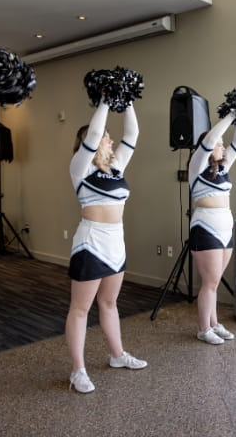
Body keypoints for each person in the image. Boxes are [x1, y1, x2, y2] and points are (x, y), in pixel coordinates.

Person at [66, 97, 146, 394]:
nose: (110, 141)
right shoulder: (81, 168)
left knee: (110, 303)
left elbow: (133, 134)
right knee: (80, 309)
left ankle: (117, 355)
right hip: (91, 242)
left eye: (110, 138)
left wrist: (126, 101)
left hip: (116, 241)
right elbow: (96, 134)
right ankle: (78, 370)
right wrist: (103, 102)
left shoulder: (117, 166)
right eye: (105, 138)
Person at [188, 110, 236, 345]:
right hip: (205, 227)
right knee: (209, 283)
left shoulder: (223, 168)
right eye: (219, 144)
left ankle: (213, 322)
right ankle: (203, 328)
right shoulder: (197, 165)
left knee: (215, 281)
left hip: (224, 229)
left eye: (223, 145)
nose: (223, 147)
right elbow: (211, 139)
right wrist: (231, 115)